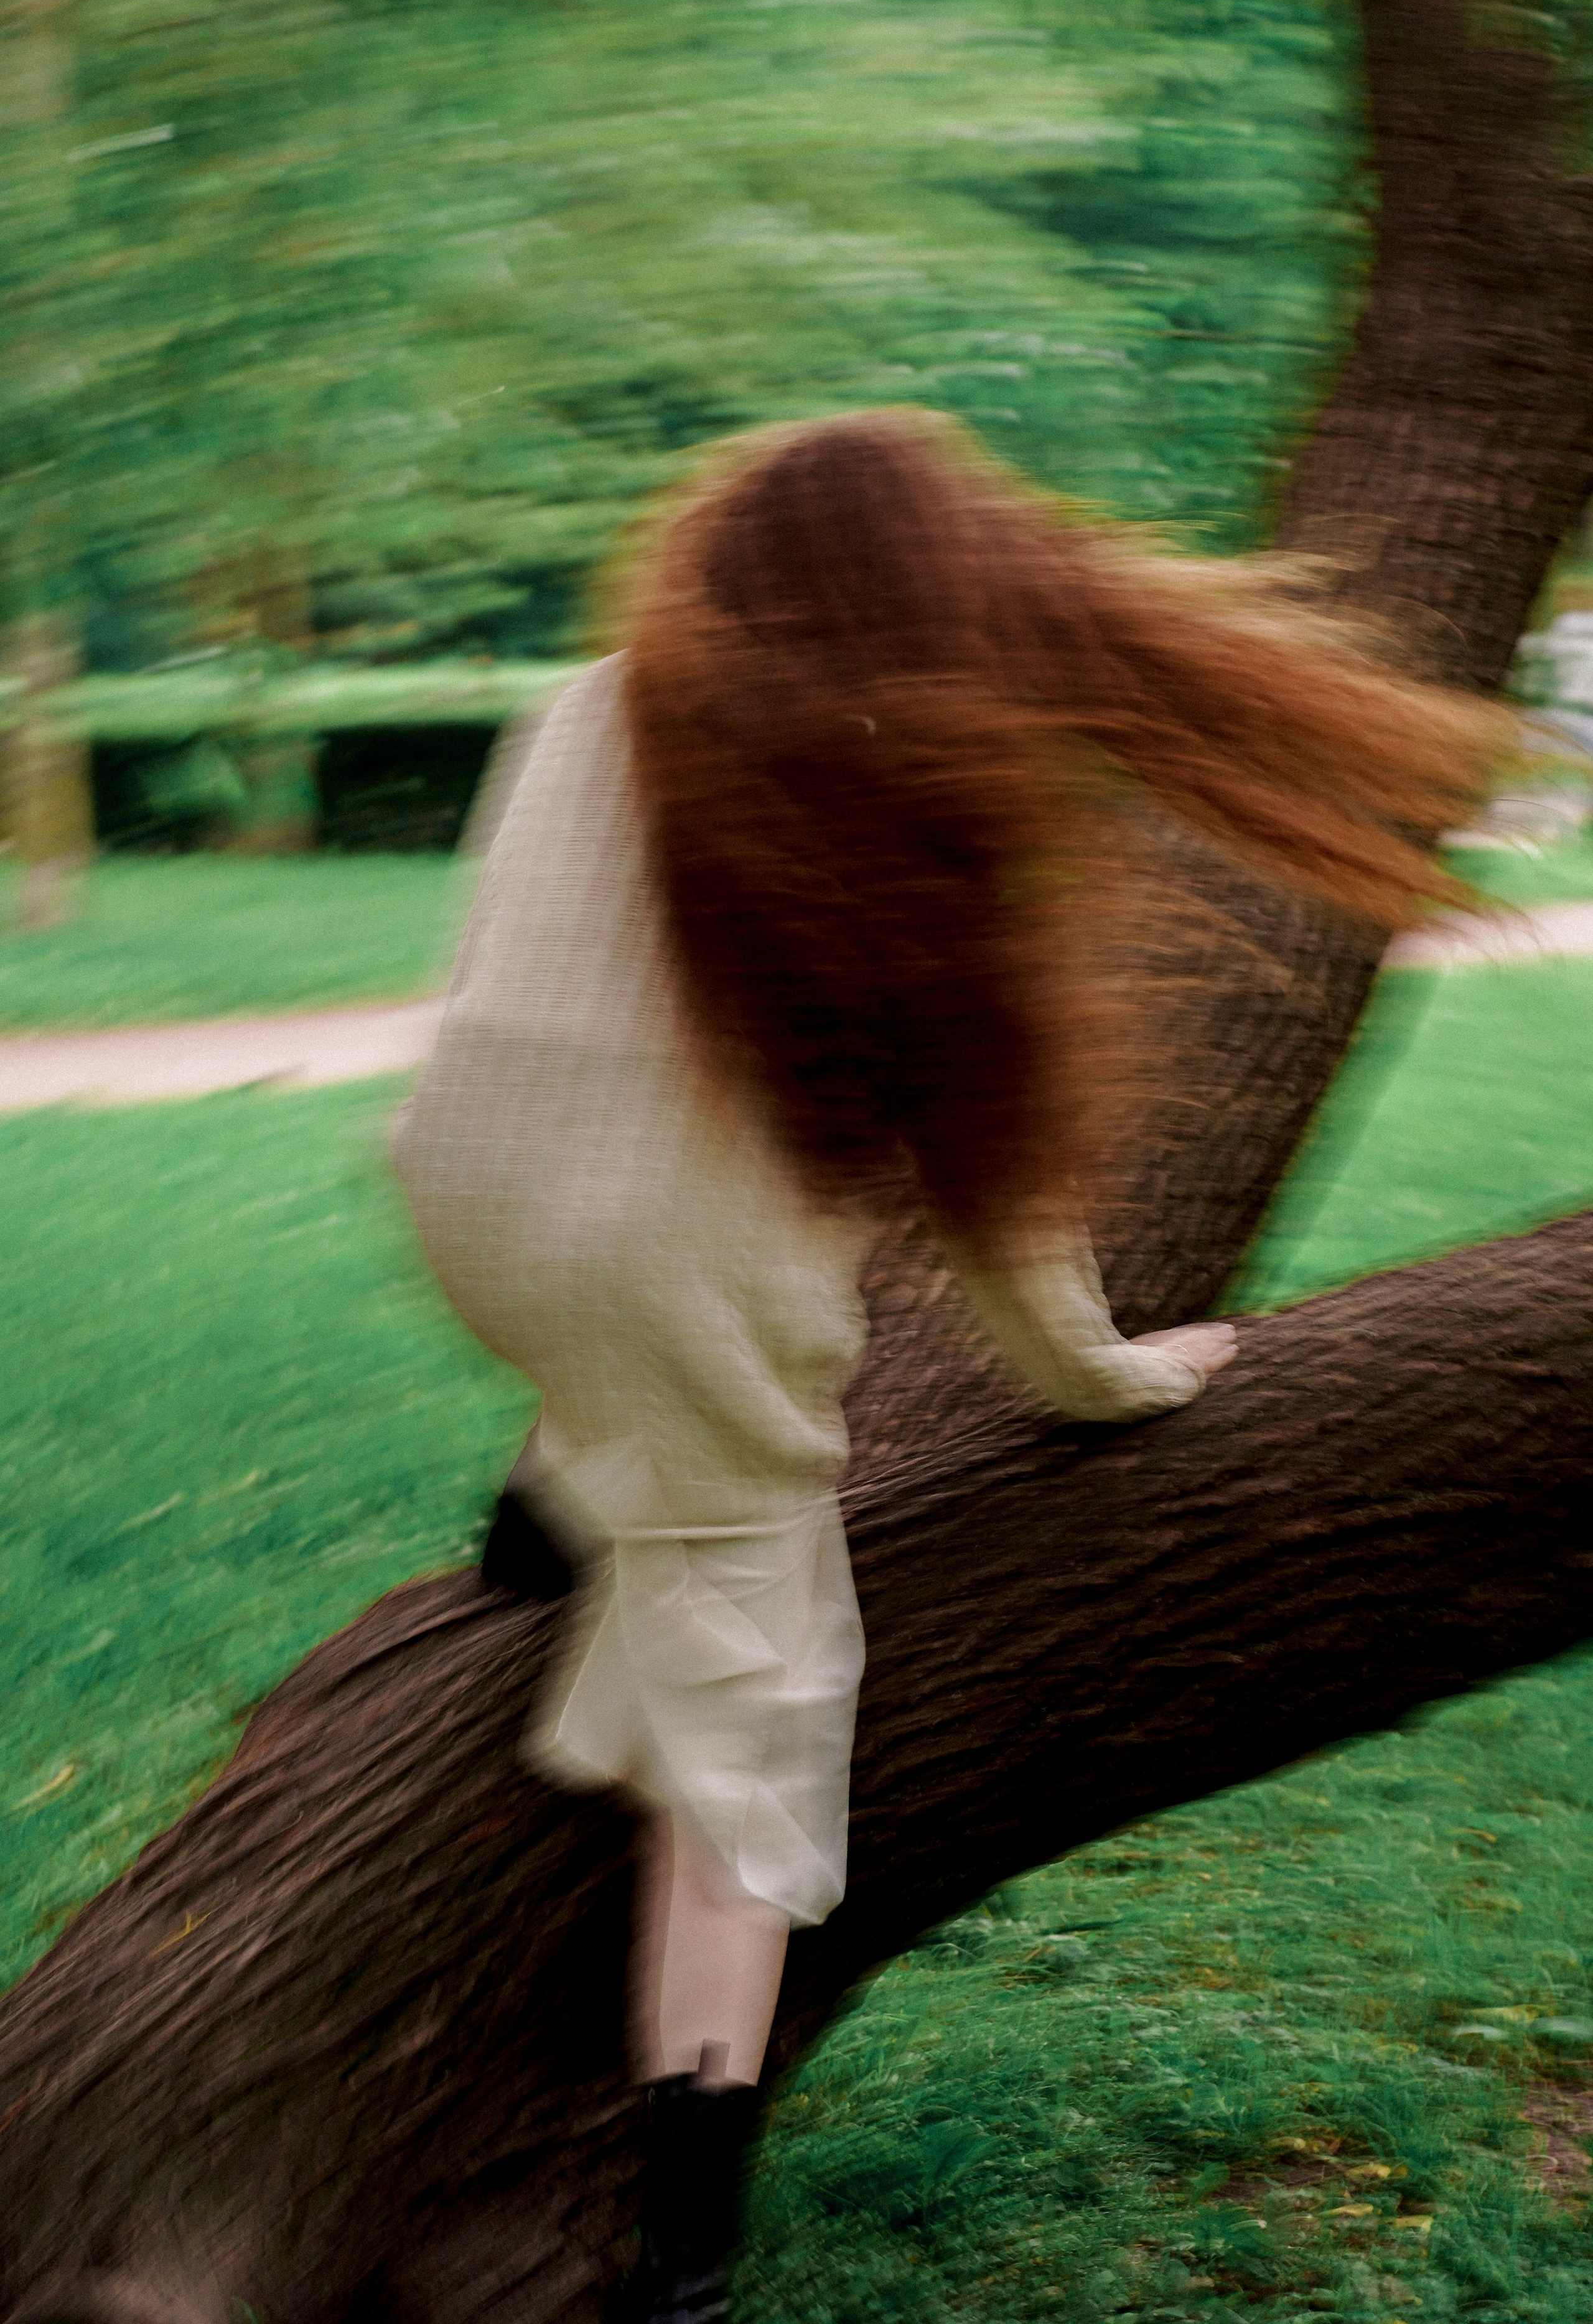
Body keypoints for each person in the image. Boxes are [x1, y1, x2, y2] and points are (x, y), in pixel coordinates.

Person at [391, 409, 1508, 2323]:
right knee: (752, 1747)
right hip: (667, 1285)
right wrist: (1111, 1381)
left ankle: (553, 1505)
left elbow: (520, 965)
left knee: (639, 1317)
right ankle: (684, 2241)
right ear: (938, 596)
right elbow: (1001, 1215)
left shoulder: (589, 699)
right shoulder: (906, 813)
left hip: (460, 1195)